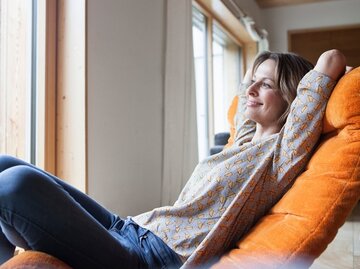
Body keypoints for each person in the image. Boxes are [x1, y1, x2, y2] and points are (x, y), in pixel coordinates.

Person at [0, 49, 347, 269]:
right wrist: (261, 73)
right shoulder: (241, 140)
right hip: (129, 227)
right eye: (252, 82)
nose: (252, 90)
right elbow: (246, 91)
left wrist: (301, 82)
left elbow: (331, 59)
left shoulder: (280, 154)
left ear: (293, 96)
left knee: (14, 186)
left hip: (150, 259)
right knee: (5, 163)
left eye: (266, 85)